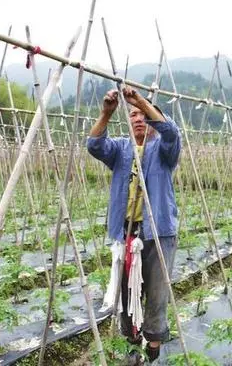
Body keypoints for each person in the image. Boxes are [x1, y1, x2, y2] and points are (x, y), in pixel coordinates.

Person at [87, 86, 181, 364]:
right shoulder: (120, 149)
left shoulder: (164, 150)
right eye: (132, 115)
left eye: (143, 114)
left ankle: (152, 347)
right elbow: (94, 145)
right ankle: (131, 343)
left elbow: (171, 132)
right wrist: (106, 113)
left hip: (158, 232)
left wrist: (139, 99)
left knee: (156, 293)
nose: (138, 118)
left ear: (152, 119)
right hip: (127, 232)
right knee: (128, 292)